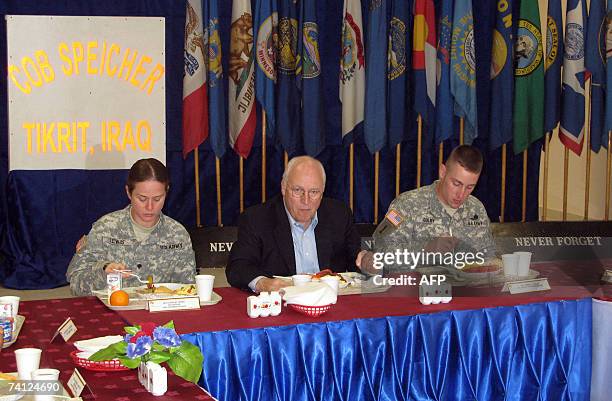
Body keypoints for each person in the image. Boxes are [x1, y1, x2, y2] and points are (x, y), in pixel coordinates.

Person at [226, 156, 363, 292]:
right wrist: (262, 283)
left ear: (322, 193)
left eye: (314, 192)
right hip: (283, 305)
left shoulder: (339, 214)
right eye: (298, 190)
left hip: (332, 302)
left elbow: (356, 261)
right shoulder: (257, 219)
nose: (306, 200)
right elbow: (238, 266)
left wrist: (367, 264)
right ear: (284, 188)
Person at [66, 158, 196, 295]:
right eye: (142, 199)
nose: (150, 207)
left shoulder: (177, 234)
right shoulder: (105, 229)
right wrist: (103, 271)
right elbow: (76, 284)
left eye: (157, 199)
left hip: (160, 314)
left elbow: (187, 290)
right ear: (128, 192)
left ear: (167, 192)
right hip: (113, 312)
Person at [357, 145, 496, 273]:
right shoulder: (406, 205)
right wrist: (426, 249)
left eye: (470, 187)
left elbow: (488, 256)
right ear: (442, 172)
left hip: (465, 292)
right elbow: (380, 250)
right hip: (416, 293)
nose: (461, 194)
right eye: (456, 183)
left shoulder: (476, 209)